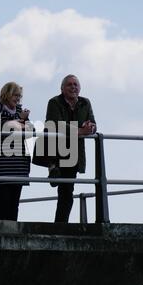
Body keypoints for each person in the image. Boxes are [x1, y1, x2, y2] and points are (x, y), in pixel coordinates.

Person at [45, 75, 97, 223]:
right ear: (62, 88)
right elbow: (55, 124)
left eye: (75, 84)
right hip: (57, 150)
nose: (73, 87)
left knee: (67, 191)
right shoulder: (54, 102)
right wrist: (80, 131)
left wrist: (90, 128)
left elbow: (93, 123)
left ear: (79, 88)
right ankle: (52, 168)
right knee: (64, 190)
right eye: (69, 85)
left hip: (74, 152)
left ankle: (61, 224)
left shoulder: (85, 103)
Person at [0, 82, 31, 221]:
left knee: (14, 202)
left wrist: (23, 122)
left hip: (19, 164)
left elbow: (30, 131)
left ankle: (12, 230)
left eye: (19, 96)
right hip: (2, 164)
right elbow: (4, 127)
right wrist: (21, 121)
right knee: (3, 200)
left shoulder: (20, 111)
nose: (18, 98)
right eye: (15, 95)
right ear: (6, 94)